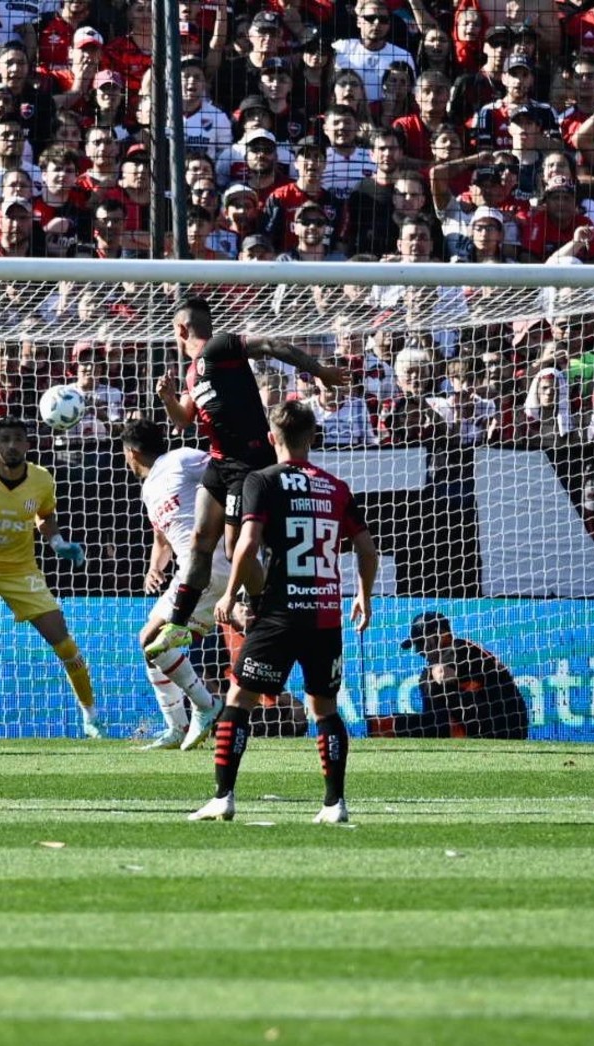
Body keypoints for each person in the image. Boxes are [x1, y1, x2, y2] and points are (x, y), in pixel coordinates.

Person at [190, 401, 379, 823]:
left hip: (279, 612)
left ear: (272, 438)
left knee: (239, 699)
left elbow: (248, 544)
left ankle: (223, 797)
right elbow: (366, 549)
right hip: (325, 614)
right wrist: (364, 595)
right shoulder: (336, 486)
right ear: (313, 438)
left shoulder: (262, 480)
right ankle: (335, 804)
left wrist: (231, 594)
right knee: (324, 708)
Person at [149, 295, 351, 660]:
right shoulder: (193, 372)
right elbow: (183, 421)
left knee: (232, 549)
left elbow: (274, 345)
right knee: (199, 541)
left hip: (248, 461)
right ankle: (178, 625)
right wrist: (167, 397)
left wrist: (319, 371)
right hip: (219, 461)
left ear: (181, 329)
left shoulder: (220, 345)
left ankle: (263, 611)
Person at [0, 415, 101, 739]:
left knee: (64, 642)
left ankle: (91, 717)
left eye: (17, 439)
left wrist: (58, 543)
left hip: (21, 572)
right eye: (5, 439)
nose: (12, 445)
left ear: (27, 444)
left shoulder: (42, 480)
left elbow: (46, 517)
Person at [121, 418, 223, 750]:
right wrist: (154, 568)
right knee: (149, 641)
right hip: (188, 572)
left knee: (155, 642)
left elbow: (226, 470)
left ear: (132, 452)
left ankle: (206, 705)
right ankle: (176, 726)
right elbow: (162, 539)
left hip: (211, 566)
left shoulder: (181, 458)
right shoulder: (149, 489)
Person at [369, 611, 529, 739]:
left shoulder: (461, 648)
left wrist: (433, 672)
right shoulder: (455, 653)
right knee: (426, 696)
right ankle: (379, 728)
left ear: (441, 635)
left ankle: (380, 728)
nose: (418, 651)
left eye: (421, 643)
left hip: (503, 725)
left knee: (429, 680)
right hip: (487, 721)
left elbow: (442, 675)